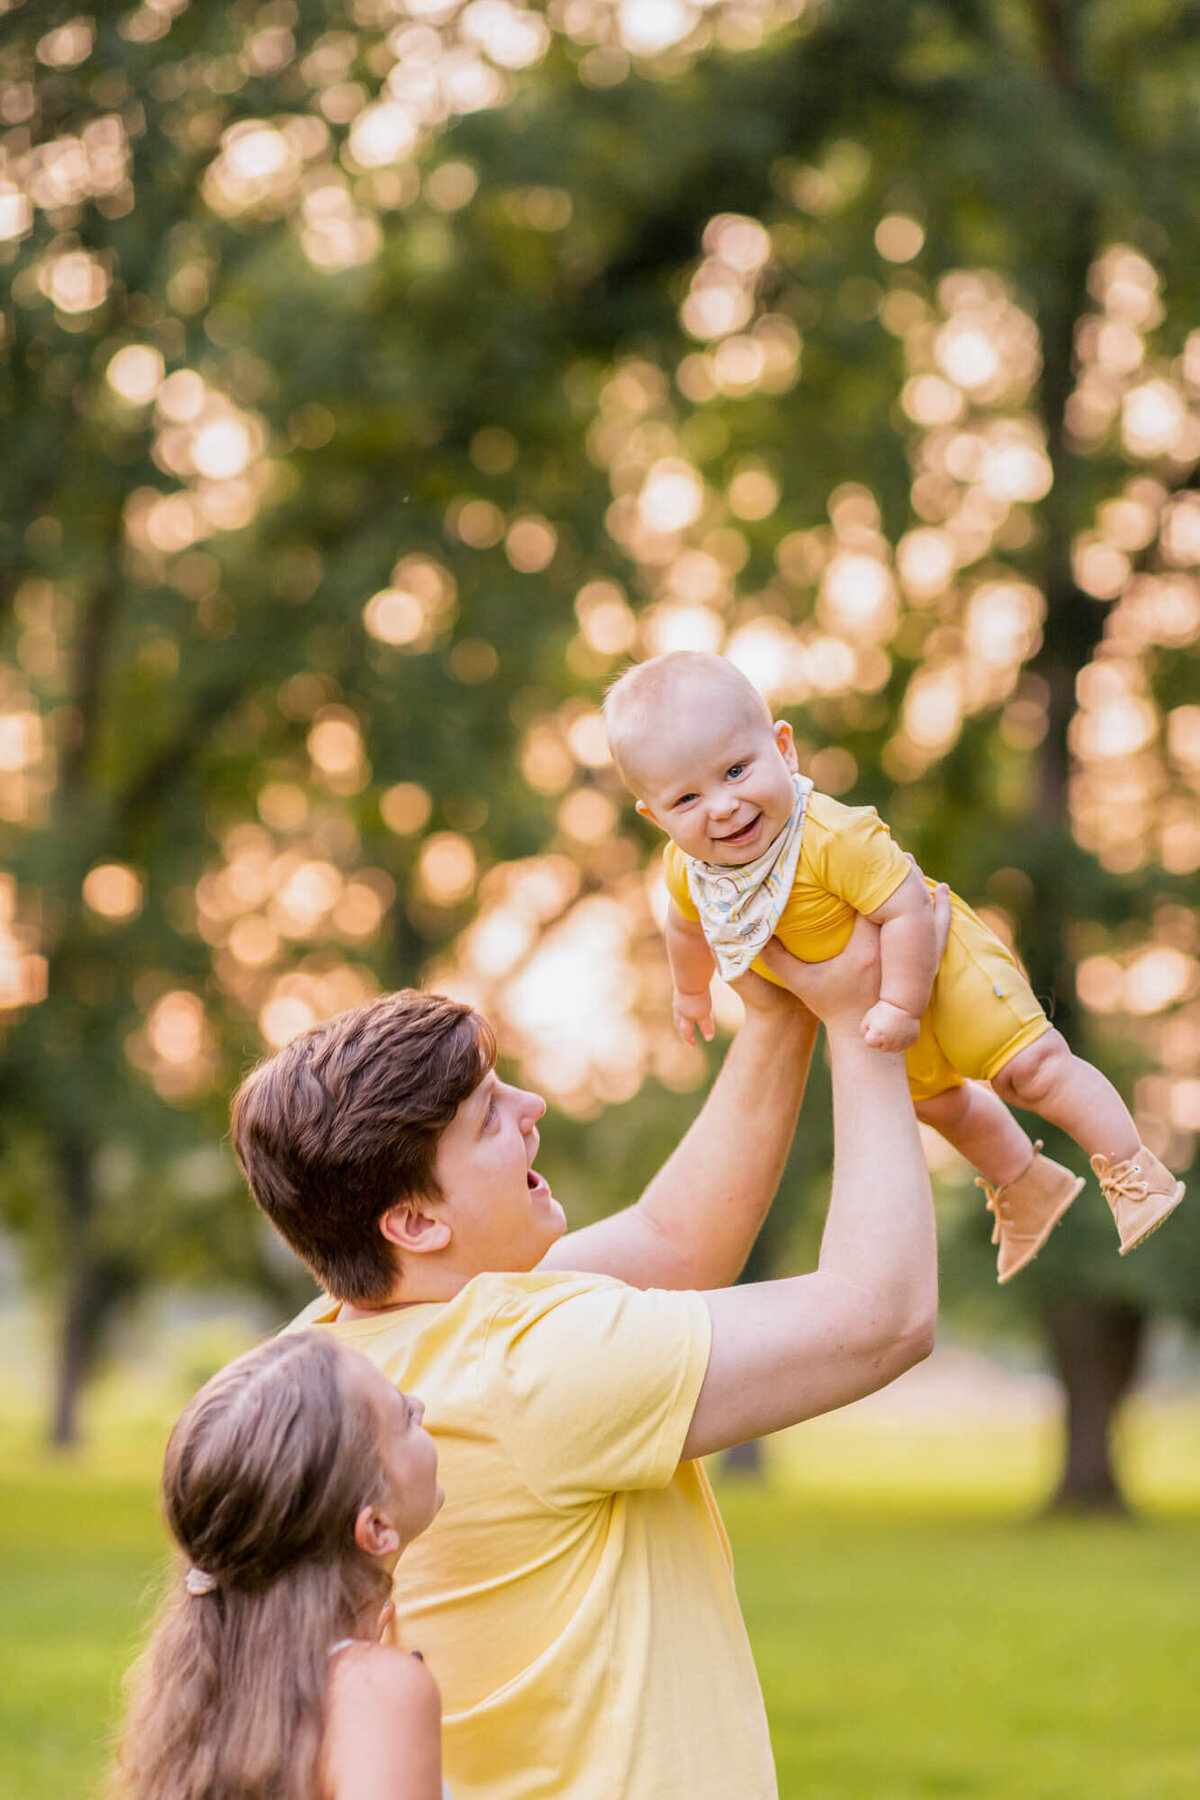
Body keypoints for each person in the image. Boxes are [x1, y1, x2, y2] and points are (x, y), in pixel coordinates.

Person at [231, 910, 938, 1800]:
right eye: (489, 1117)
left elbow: (674, 1245)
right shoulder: (523, 1364)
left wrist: (781, 1014)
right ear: (415, 1221)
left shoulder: (334, 1341)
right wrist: (867, 1025)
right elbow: (882, 1316)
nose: (533, 1111)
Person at [603, 650, 1185, 1282]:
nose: (721, 806)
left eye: (736, 770)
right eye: (686, 797)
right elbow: (684, 925)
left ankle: (1134, 1172)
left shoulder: (829, 837)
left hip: (936, 971)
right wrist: (691, 992)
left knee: (1029, 1072)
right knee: (940, 1106)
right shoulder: (692, 873)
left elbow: (908, 909)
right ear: (654, 817)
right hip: (872, 1008)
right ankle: (1026, 1184)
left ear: (784, 749)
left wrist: (903, 1004)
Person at [113, 1331, 449, 1800]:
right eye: (403, 1416)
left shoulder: (218, 1687)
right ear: (375, 1527)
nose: (420, 1406)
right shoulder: (375, 1691)